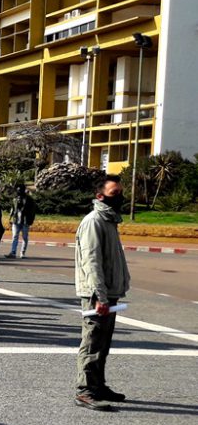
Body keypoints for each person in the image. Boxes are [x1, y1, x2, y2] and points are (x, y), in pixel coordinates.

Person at [74, 174, 131, 410]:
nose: (119, 197)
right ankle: (84, 390)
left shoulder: (108, 220)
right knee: (92, 341)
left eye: (120, 192)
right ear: (100, 196)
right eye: (114, 193)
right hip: (97, 294)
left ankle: (98, 385)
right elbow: (92, 262)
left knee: (103, 342)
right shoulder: (94, 221)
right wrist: (100, 296)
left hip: (108, 292)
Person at [5, 183, 37, 259]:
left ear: (24, 190)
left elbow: (33, 210)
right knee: (14, 237)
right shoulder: (15, 198)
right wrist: (10, 218)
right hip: (16, 220)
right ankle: (13, 253)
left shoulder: (29, 199)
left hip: (25, 221)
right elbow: (12, 209)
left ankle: (22, 253)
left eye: (20, 190)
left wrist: (31, 220)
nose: (19, 192)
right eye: (18, 190)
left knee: (24, 237)